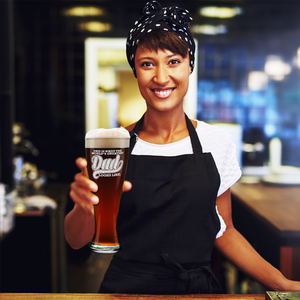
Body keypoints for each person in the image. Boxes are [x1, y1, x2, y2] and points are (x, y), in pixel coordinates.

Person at [64, 0, 300, 294]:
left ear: (190, 65)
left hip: (196, 290)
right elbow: (76, 240)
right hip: (126, 289)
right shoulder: (112, 145)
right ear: (136, 72)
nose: (161, 77)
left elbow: (223, 231)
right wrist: (83, 208)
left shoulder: (216, 142)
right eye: (147, 63)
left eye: (173, 61)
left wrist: (283, 283)